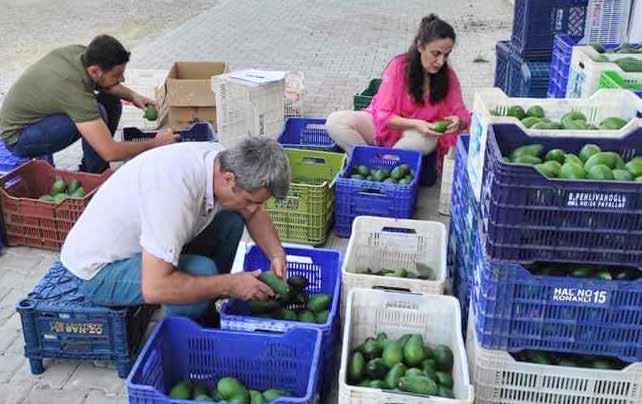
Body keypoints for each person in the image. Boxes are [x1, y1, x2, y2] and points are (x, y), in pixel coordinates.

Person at [60, 137, 291, 325]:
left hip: (143, 243)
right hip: (98, 271)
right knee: (203, 271)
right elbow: (154, 287)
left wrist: (276, 255)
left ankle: (202, 307)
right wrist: (231, 284)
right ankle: (184, 334)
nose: (254, 208)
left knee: (232, 217)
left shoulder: (221, 161)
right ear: (229, 179)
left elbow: (252, 212)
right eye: (251, 199)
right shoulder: (173, 192)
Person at [0, 34, 177, 174]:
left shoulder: (81, 55)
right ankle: (96, 176)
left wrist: (133, 95)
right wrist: (155, 143)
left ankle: (90, 167)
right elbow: (110, 151)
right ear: (94, 71)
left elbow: (105, 83)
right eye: (117, 75)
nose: (122, 79)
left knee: (110, 99)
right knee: (97, 112)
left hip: (39, 117)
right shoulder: (72, 89)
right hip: (18, 138)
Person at [326, 14, 470, 173]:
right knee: (336, 121)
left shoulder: (448, 76)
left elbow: (462, 112)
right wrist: (416, 123)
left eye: (446, 55)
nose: (441, 61)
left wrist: (458, 119)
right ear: (420, 46)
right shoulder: (399, 67)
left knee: (424, 141)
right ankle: (369, 162)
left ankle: (381, 169)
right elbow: (383, 115)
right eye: (436, 53)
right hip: (385, 127)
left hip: (417, 136)